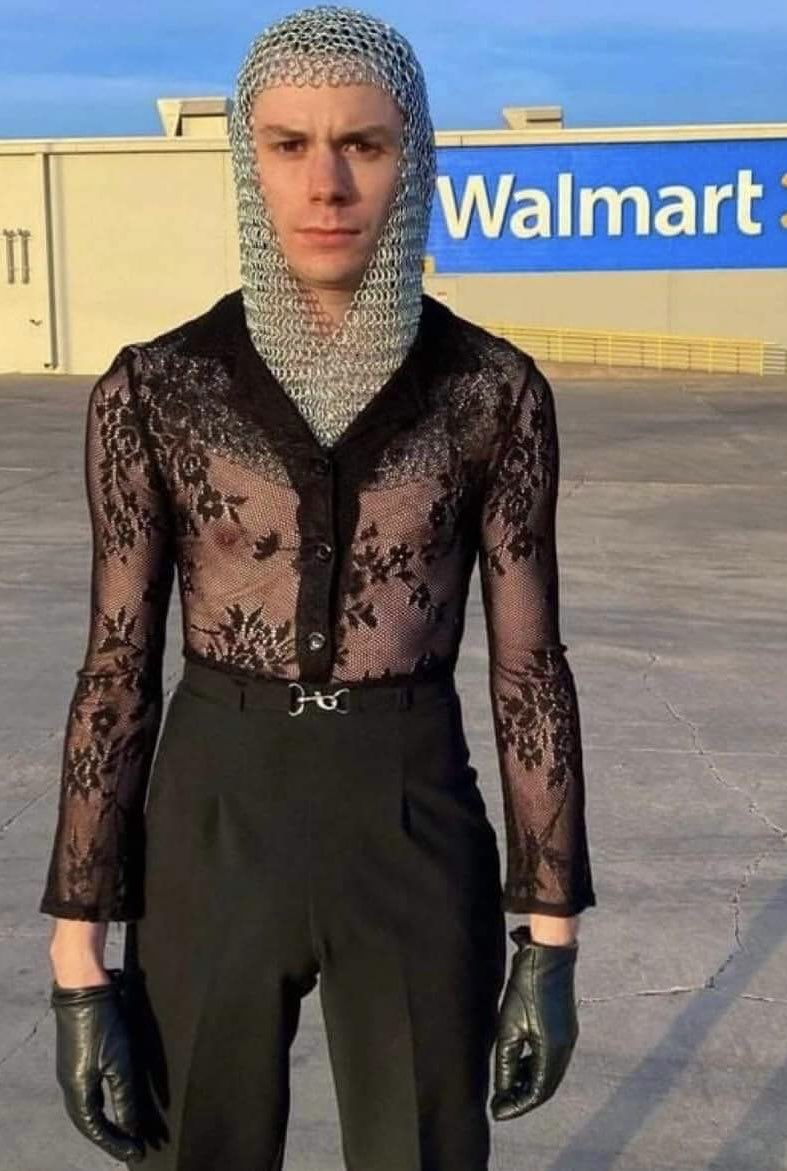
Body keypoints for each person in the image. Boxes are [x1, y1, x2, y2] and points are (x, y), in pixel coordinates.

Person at [39, 7, 596, 1170]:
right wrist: (77, 956)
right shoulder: (158, 389)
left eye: (365, 145)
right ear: (249, 163)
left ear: (414, 158)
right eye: (289, 145)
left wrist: (549, 939)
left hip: (410, 814)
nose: (326, 184)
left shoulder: (491, 392)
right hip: (213, 819)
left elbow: (530, 671)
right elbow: (117, 669)